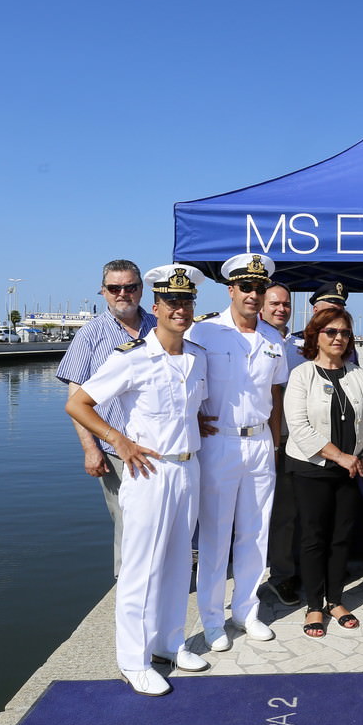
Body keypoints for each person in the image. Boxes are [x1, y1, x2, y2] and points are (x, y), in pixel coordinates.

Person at [65, 265, 209, 696]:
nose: (180, 310)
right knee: (140, 568)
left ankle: (168, 641)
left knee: (179, 561)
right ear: (157, 306)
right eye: (172, 302)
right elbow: (79, 403)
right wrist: (117, 441)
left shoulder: (197, 356)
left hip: (188, 467)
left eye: (187, 302)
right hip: (148, 470)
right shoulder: (131, 357)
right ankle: (133, 659)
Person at [189, 254, 288, 652]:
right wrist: (189, 420)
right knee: (215, 535)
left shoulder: (273, 338)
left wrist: (277, 443)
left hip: (260, 441)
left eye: (259, 288)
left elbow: (275, 394)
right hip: (219, 441)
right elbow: (183, 379)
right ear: (231, 289)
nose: (253, 294)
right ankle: (212, 620)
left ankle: (246, 611)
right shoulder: (205, 332)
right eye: (245, 287)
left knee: (256, 531)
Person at [284, 308, 363, 637]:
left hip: (351, 469)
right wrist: (340, 456)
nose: (338, 338)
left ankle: (335, 599)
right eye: (330, 332)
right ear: (315, 336)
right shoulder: (302, 375)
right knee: (314, 538)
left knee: (342, 538)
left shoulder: (357, 374)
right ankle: (314, 605)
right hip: (312, 469)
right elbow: (299, 427)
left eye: (344, 333)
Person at [56, 259, 157, 576]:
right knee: (128, 524)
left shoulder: (159, 326)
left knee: (160, 522)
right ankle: (127, 591)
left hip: (160, 448)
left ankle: (161, 585)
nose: (123, 293)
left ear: (141, 289)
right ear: (103, 292)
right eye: (115, 288)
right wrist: (90, 448)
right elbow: (75, 399)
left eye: (130, 287)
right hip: (117, 452)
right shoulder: (90, 335)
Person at [261, 282, 305, 606]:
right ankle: (275, 575)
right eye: (274, 303)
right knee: (262, 516)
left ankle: (284, 574)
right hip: (263, 440)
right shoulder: (252, 338)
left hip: (296, 440)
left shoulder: (300, 344)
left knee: (290, 514)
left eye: (286, 304)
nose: (281, 308)